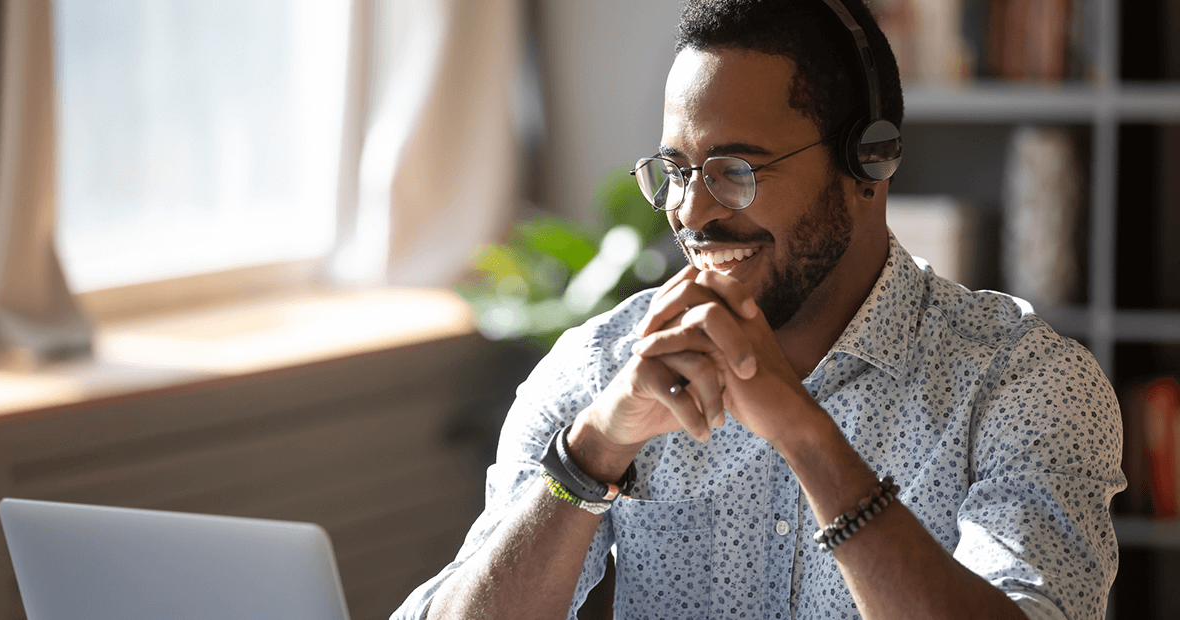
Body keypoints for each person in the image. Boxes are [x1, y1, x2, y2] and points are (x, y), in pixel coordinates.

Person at [393, 1, 1126, 619]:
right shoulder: (601, 369)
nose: (691, 212)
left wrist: (807, 437)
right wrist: (590, 457)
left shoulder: (1026, 385)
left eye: (734, 170)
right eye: (676, 171)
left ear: (869, 162)